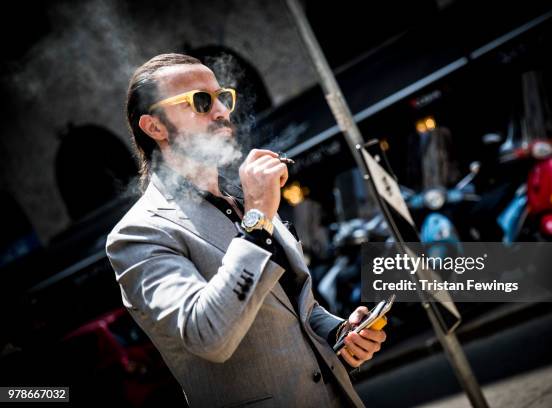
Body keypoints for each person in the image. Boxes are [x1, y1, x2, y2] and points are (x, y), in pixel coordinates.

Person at [106, 53, 386, 407]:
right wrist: (256, 221)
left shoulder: (241, 197)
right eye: (200, 102)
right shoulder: (139, 233)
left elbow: (291, 306)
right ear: (155, 127)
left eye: (222, 97)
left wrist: (339, 332)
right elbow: (208, 335)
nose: (221, 110)